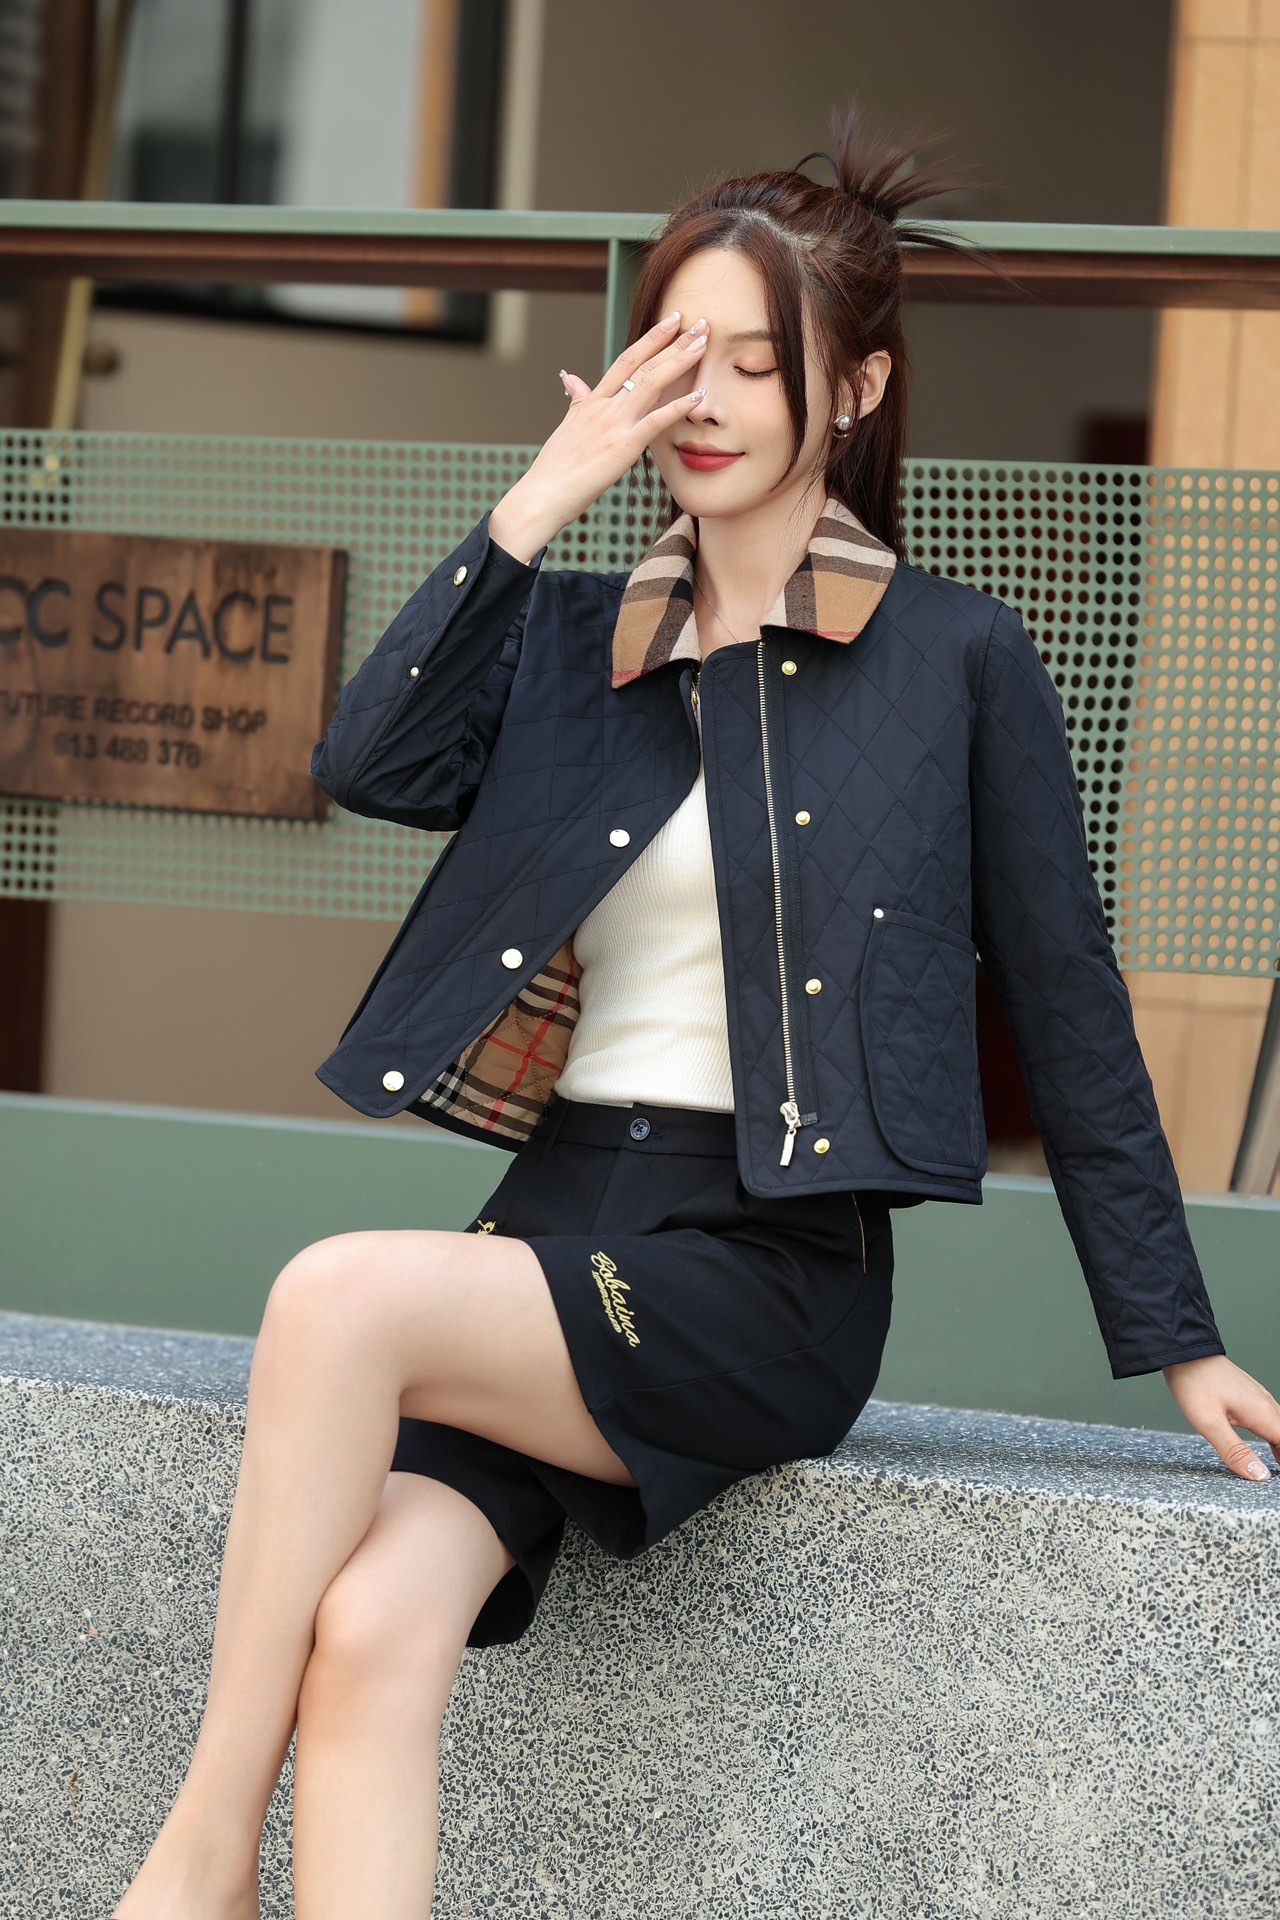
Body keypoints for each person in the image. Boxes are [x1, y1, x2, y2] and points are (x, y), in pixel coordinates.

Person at [114, 99, 1279, 1920]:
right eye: (678, 354)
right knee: (374, 1625)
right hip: (558, 1228)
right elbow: (368, 761)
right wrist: (543, 497)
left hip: (764, 1266)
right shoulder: (584, 641)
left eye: (757, 360)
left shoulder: (953, 661)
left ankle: (197, 1859)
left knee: (336, 1293)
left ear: (858, 389)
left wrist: (1179, 1337)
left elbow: (1070, 1008)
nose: (709, 401)